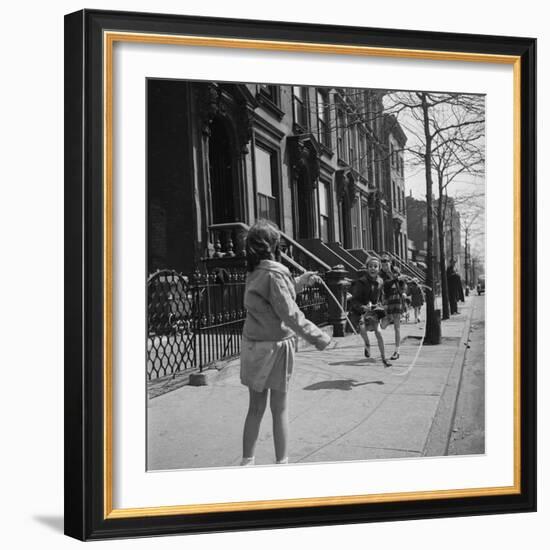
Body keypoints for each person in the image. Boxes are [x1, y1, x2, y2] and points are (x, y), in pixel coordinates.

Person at [240, 220, 332, 466]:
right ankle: (282, 463)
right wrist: (319, 337)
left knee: (255, 409)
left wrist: (299, 281)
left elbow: (274, 301)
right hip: (276, 348)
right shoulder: (275, 273)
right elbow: (289, 313)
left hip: (254, 346)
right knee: (279, 409)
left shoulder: (255, 271)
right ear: (273, 245)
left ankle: (247, 461)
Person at [349, 257, 391, 367]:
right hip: (361, 311)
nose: (373, 268)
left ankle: (384, 358)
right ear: (367, 268)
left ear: (379, 268)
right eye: (370, 266)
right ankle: (367, 344)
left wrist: (380, 305)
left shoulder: (380, 281)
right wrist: (363, 307)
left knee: (379, 333)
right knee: (362, 328)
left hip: (374, 311)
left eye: (375, 266)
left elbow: (381, 296)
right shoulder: (361, 282)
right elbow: (354, 300)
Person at [379, 254, 406, 360]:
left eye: (386, 264)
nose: (385, 267)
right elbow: (386, 285)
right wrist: (397, 279)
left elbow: (402, 283)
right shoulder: (381, 275)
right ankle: (388, 318)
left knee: (397, 327)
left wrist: (403, 291)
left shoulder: (396, 271)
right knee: (383, 326)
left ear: (390, 263)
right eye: (383, 265)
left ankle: (397, 351)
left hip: (398, 300)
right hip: (388, 301)